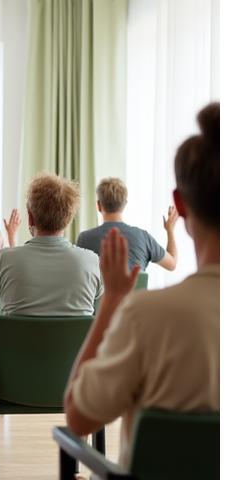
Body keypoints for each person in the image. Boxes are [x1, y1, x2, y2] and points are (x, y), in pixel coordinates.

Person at [64, 102, 220, 468]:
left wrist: (115, 298)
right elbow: (172, 262)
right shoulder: (146, 238)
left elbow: (78, 416)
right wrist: (168, 234)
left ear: (180, 203)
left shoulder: (142, 314)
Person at [0, 173, 103, 479]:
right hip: (75, 381)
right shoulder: (91, 262)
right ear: (69, 217)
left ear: (30, 215)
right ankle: (83, 465)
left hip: (7, 381)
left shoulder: (6, 260)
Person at [76, 177, 179, 271]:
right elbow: (172, 264)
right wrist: (170, 230)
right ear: (124, 205)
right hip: (135, 292)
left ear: (98, 205)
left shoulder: (84, 239)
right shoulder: (143, 237)